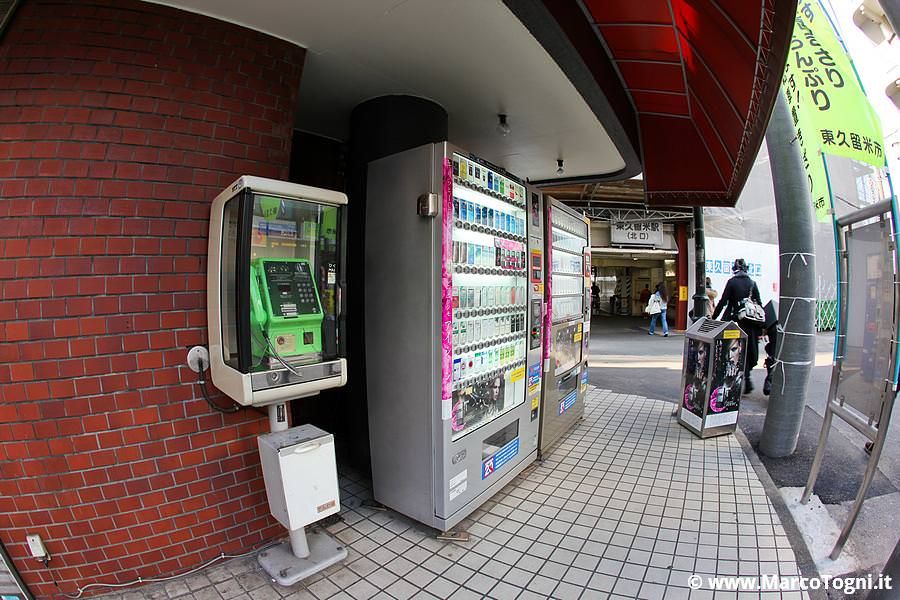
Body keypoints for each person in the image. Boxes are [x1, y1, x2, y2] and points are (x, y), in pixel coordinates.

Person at [713, 258, 761, 393]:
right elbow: (759, 304)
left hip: (735, 322)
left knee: (733, 351)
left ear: (734, 269)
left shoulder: (732, 283)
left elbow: (723, 302)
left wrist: (714, 317)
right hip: (750, 323)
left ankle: (732, 380)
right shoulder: (752, 283)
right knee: (749, 351)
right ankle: (747, 376)